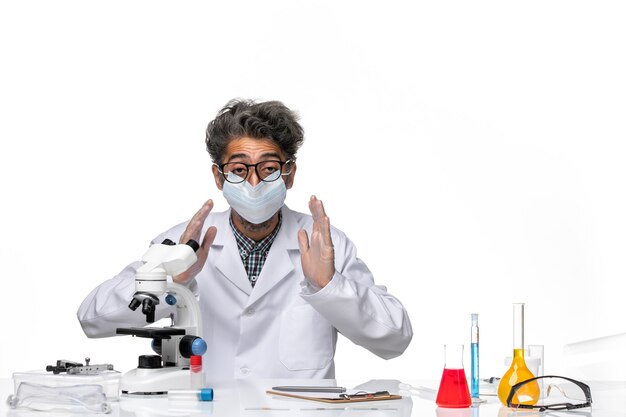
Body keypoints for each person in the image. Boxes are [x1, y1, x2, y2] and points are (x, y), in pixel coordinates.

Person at [77, 98, 413, 379]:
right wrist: (170, 280)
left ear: (289, 174)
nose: (254, 182)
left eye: (268, 168)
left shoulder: (326, 244)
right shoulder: (183, 243)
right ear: (218, 177)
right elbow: (92, 318)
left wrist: (329, 287)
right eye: (239, 169)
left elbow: (395, 339)